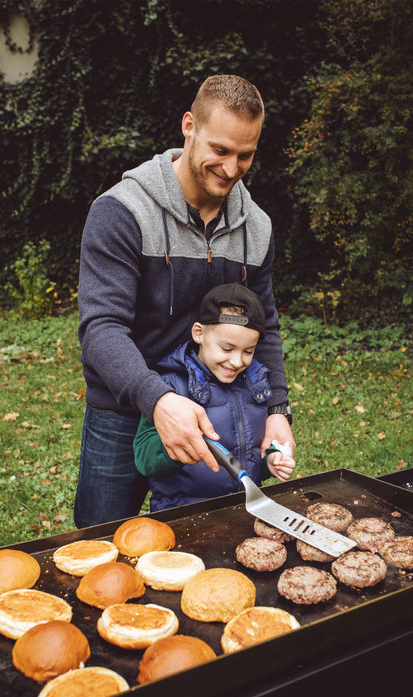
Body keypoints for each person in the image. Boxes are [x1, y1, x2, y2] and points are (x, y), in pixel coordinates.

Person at [75, 74, 295, 528]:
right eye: (220, 150)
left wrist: (276, 410)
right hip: (124, 408)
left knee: (208, 543)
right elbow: (102, 328)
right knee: (100, 545)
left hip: (217, 408)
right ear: (189, 125)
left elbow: (265, 325)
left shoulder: (256, 228)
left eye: (245, 155)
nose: (231, 168)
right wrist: (157, 400)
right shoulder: (122, 212)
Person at [133, 283, 295, 512]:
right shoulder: (170, 387)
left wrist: (269, 462)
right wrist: (176, 450)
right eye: (227, 349)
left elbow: (250, 450)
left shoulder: (256, 387)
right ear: (199, 333)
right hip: (181, 512)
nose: (238, 361)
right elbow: (143, 456)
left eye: (248, 351)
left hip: (243, 509)